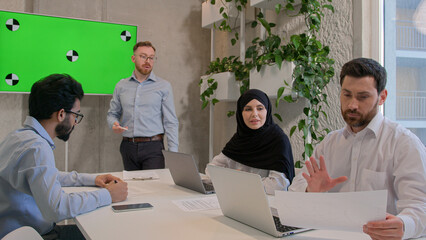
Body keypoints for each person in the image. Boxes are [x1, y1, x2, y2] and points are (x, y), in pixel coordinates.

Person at [289, 58, 426, 239]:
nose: (352, 105)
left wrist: (404, 225)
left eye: (363, 97)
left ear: (382, 97)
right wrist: (311, 191)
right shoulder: (330, 143)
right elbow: (295, 187)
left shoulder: (403, 143)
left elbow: (420, 206)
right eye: (347, 95)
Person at [0, 74, 128, 239]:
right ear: (61, 114)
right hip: (34, 234)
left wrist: (93, 179)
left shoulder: (19, 137)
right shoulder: (37, 148)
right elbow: (57, 208)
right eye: (76, 115)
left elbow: (47, 176)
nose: (75, 122)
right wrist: (108, 195)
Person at [206, 89, 295, 195]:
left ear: (267, 110)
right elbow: (211, 169)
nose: (254, 114)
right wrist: (241, 182)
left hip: (267, 204)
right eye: (248, 109)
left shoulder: (278, 140)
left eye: (260, 108)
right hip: (237, 198)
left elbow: (278, 186)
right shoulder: (240, 138)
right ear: (240, 113)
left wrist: (239, 181)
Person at [107, 41, 179, 171]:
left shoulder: (164, 86)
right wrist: (114, 124)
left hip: (154, 147)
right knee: (133, 189)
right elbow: (113, 114)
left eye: (151, 58)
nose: (148, 61)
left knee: (153, 190)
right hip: (127, 146)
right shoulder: (121, 86)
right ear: (133, 58)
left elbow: (171, 121)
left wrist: (173, 151)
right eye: (143, 56)